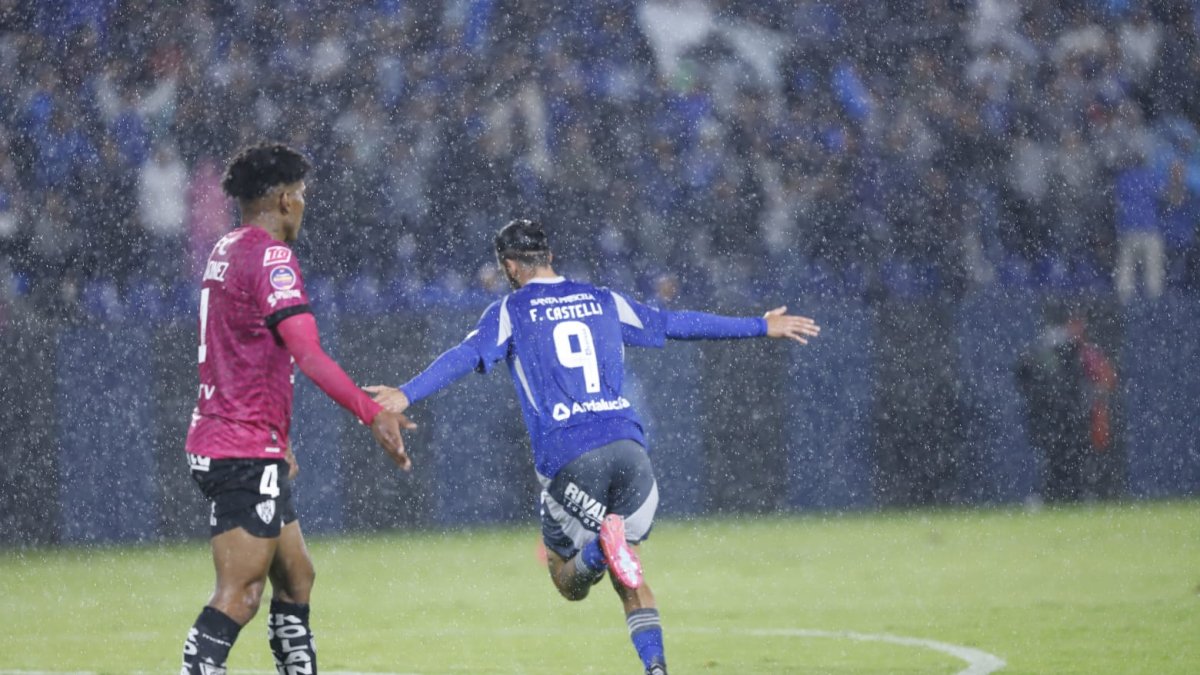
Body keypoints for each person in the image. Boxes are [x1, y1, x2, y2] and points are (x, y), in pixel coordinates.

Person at [366, 219, 820, 675]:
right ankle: (655, 667)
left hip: (571, 458)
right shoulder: (604, 300)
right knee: (631, 573)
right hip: (630, 452)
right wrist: (761, 325)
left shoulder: (510, 311)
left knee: (568, 579)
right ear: (550, 257)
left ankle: (600, 551)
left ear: (508, 265)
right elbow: (677, 323)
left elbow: (463, 356)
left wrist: (406, 393)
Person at [180, 143, 414, 674]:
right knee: (239, 596)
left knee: (297, 576)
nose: (304, 205)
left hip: (236, 437)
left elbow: (238, 349)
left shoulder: (226, 248)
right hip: (239, 447)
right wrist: (370, 411)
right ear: (285, 200)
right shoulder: (271, 256)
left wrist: (277, 436)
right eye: (302, 195)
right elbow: (306, 352)